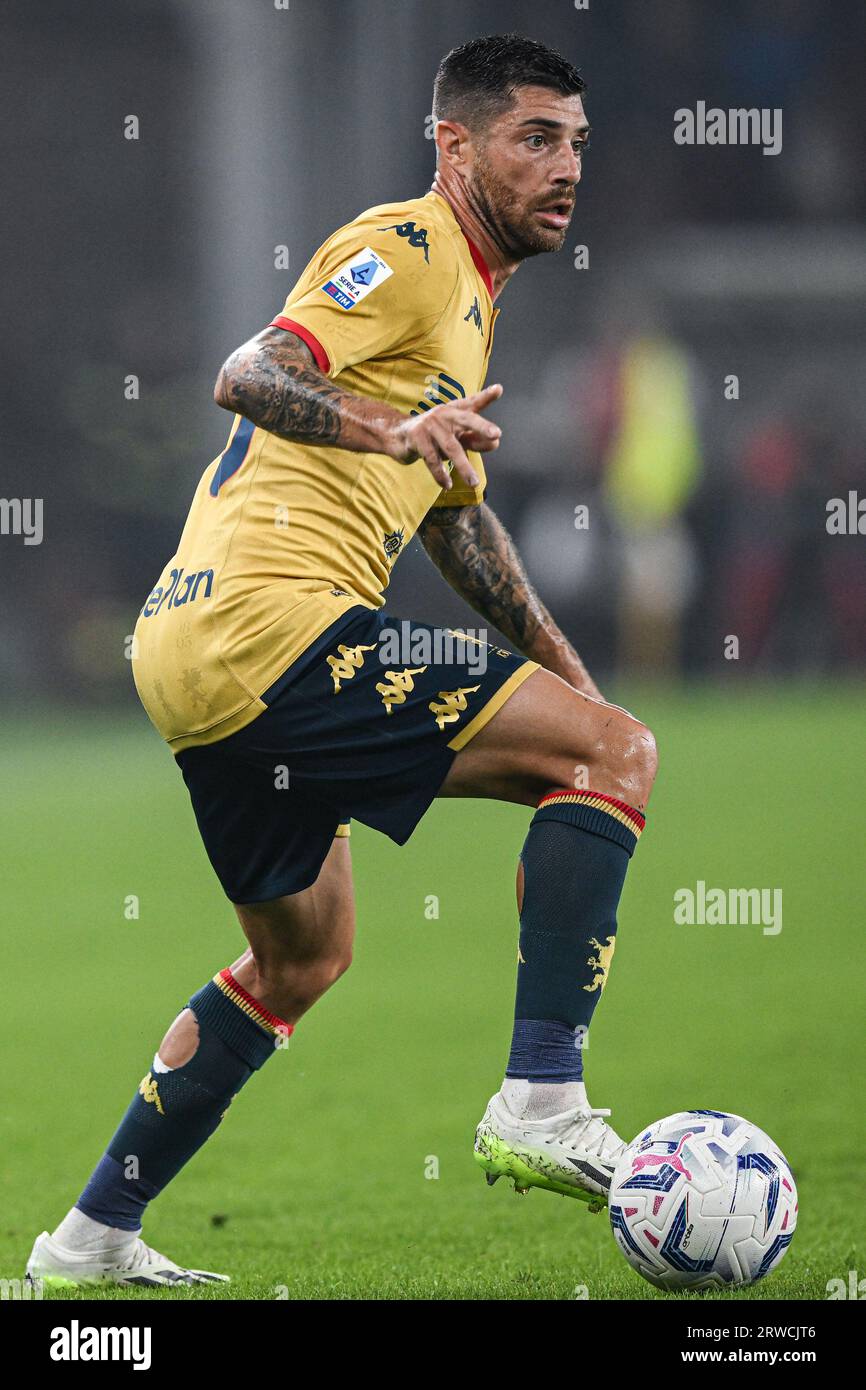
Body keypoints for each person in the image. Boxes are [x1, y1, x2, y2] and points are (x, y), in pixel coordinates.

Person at [28, 32, 657, 1288]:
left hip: (194, 650)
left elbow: (452, 518)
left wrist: (567, 677)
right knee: (613, 760)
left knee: (301, 958)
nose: (564, 166)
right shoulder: (410, 249)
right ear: (455, 144)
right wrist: (393, 422)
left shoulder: (471, 310)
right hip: (275, 618)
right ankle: (541, 1098)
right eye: (534, 136)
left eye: (575, 141)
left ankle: (85, 1241)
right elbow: (246, 370)